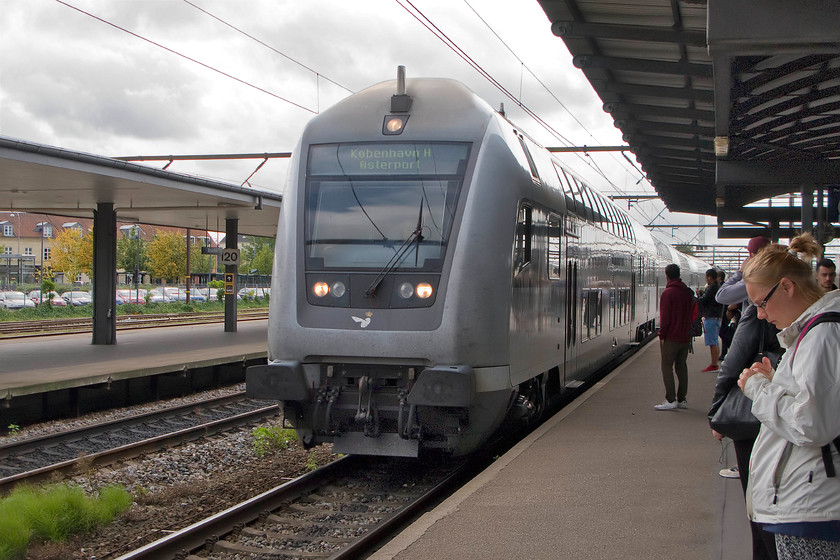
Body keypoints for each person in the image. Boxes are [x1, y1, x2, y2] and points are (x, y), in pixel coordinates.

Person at [737, 233, 840, 559]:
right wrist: (776, 384)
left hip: (812, 506)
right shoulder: (814, 332)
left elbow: (812, 424)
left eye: (761, 304)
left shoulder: (821, 335)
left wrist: (759, 389)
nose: (762, 315)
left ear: (786, 286)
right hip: (809, 500)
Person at [709, 301, 781, 560]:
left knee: (759, 504)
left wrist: (716, 414)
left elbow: (730, 366)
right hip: (779, 419)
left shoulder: (754, 313)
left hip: (751, 419)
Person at [655, 263, 695, 410]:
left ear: (666, 275)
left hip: (671, 337)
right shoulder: (687, 292)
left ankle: (670, 399)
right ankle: (682, 399)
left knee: (666, 367)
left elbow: (665, 318)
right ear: (679, 275)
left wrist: (662, 334)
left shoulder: (668, 293)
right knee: (681, 367)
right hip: (685, 336)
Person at [717, 236, 772, 309]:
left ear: (751, 254)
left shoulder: (756, 276)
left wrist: (740, 272)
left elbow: (721, 296)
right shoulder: (775, 271)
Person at [698, 268, 724, 372]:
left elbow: (703, 300)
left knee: (712, 342)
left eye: (706, 277)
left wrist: (699, 295)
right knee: (715, 342)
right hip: (716, 317)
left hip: (711, 317)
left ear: (709, 277)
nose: (705, 279)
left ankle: (714, 365)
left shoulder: (711, 288)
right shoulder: (717, 287)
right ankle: (714, 364)